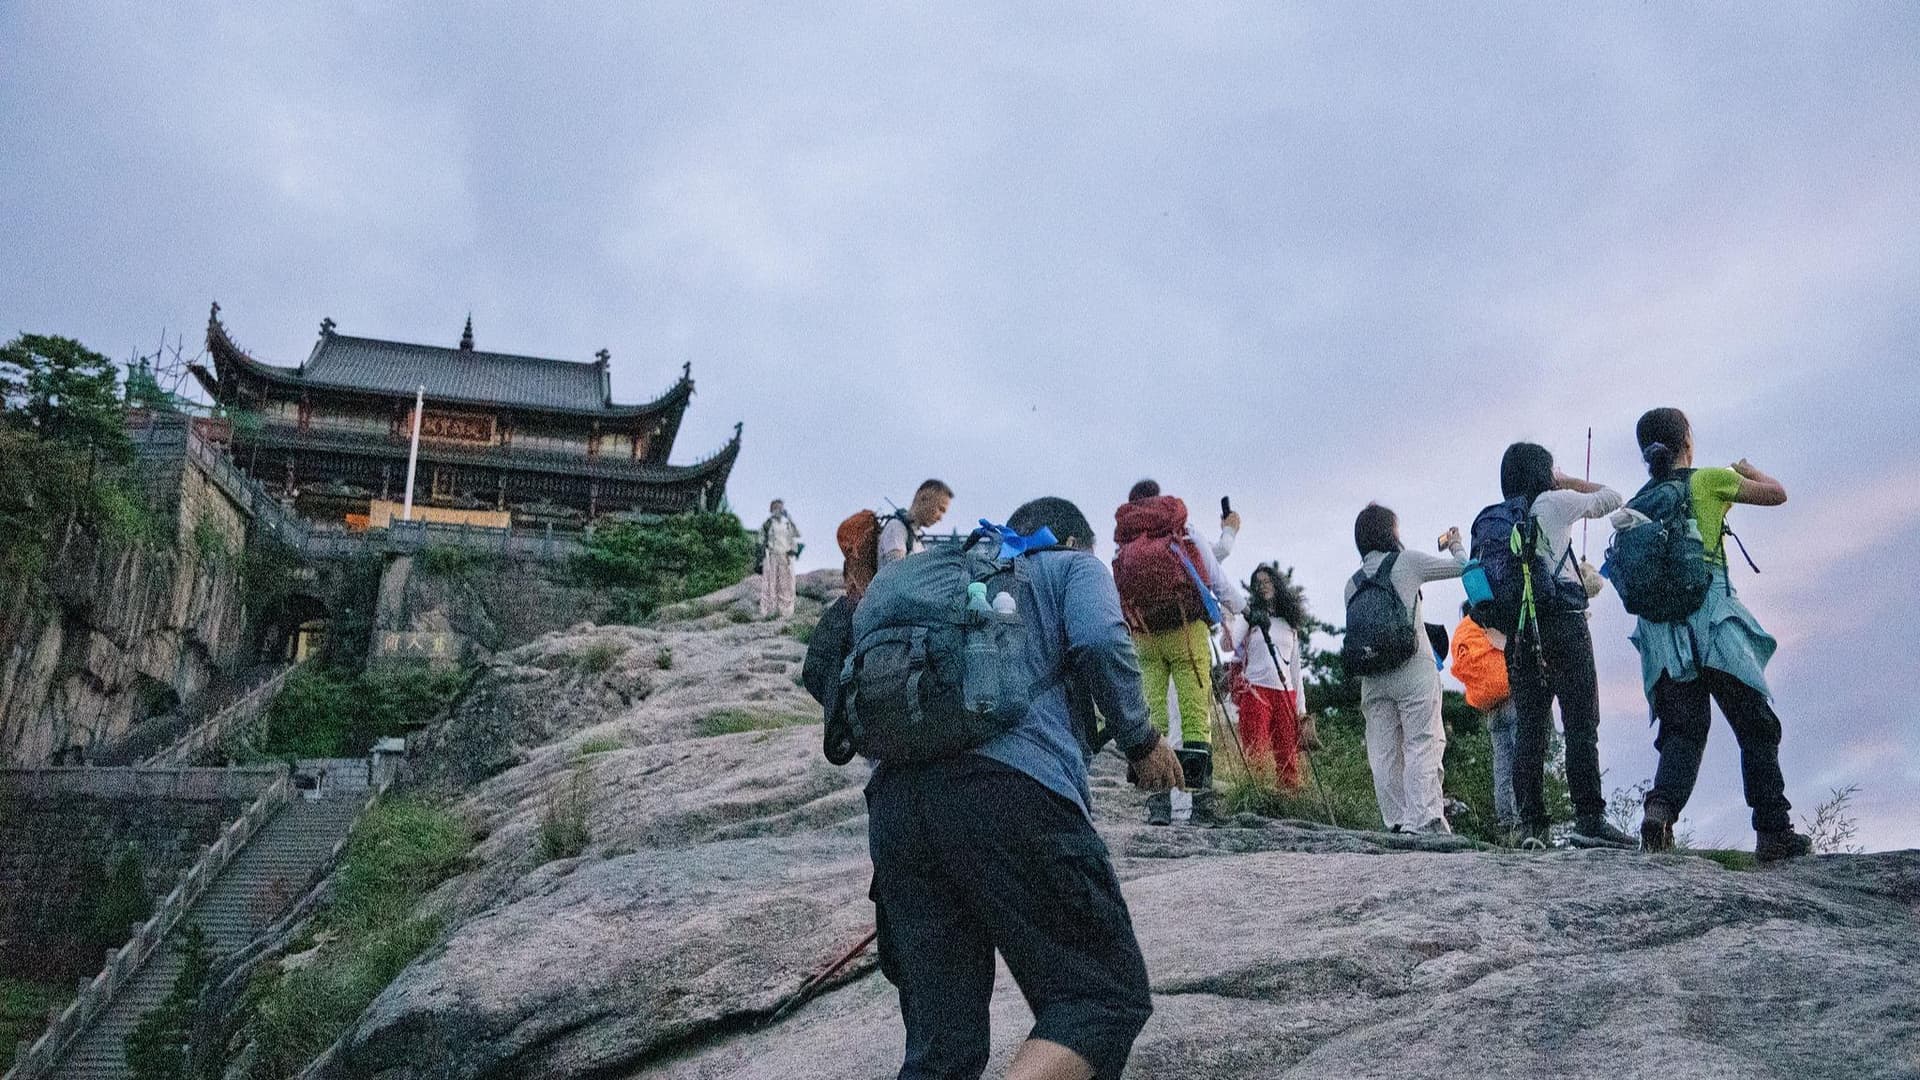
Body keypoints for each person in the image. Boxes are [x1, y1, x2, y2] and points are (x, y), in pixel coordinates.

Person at [866, 496, 1183, 1080]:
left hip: (897, 806)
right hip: (1010, 791)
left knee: (942, 1048)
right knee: (1100, 998)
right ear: (1070, 541)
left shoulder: (947, 576)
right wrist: (1140, 741)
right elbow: (1098, 640)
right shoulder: (1070, 565)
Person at [1628, 408, 1810, 861]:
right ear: (1687, 441)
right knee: (1757, 726)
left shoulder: (1637, 503)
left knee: (1683, 733)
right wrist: (1747, 469)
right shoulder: (1709, 480)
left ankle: (1660, 811)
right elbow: (1778, 494)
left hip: (1661, 638)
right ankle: (1773, 832)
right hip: (1713, 625)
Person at [1495, 442, 1637, 849]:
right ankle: (1589, 820)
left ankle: (1532, 827)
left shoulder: (1501, 519)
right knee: (1579, 724)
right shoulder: (1554, 503)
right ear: (1545, 472)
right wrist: (1565, 479)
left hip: (1520, 633)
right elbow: (1612, 497)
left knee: (1530, 730)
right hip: (1564, 626)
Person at [1113, 480, 1245, 826]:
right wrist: (1242, 606)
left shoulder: (1125, 543)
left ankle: (1157, 805)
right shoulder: (1180, 528)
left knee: (1153, 715)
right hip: (1187, 631)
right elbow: (1212, 575)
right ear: (1159, 496)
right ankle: (1201, 803)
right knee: (1194, 714)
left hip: (1145, 636)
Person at [1344, 504, 1464, 834]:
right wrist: (1455, 543)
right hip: (1413, 667)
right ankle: (1424, 820)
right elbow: (1463, 568)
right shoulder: (1406, 562)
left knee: (1383, 754)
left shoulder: (1351, 585)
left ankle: (1396, 822)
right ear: (1391, 533)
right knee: (1422, 742)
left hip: (1373, 677)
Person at [1224, 564, 1307, 790]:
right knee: (1256, 752)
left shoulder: (1289, 622)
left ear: (1276, 584)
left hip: (1285, 693)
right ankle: (1257, 799)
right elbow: (1229, 644)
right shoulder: (1249, 617)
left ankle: (1289, 803)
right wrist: (1229, 620)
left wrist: (1301, 709)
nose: (1264, 587)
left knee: (1288, 755)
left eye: (1267, 581)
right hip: (1256, 691)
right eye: (1258, 583)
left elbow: (1296, 669)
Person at [1451, 601, 1518, 834]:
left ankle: (1506, 821)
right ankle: (1523, 819)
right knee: (1522, 758)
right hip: (1512, 697)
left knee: (1502, 764)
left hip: (1490, 707)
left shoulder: (1462, 631)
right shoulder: (1491, 620)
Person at [879, 479, 954, 567]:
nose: (940, 518)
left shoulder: (915, 536)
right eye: (940, 509)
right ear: (923, 497)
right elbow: (897, 572)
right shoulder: (896, 528)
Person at [757, 499, 802, 619]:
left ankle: (786, 612)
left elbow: (797, 534)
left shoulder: (787, 523)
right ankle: (768, 611)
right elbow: (760, 539)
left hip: (785, 555)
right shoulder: (768, 524)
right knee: (770, 583)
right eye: (776, 507)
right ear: (772, 509)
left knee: (787, 583)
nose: (779, 510)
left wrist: (791, 520)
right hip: (772, 555)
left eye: (780, 507)